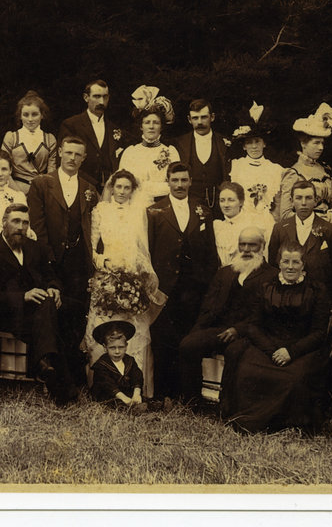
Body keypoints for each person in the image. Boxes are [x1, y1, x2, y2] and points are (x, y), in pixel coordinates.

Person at [222, 242, 331, 434]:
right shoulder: (265, 286)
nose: (290, 266)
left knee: (294, 378)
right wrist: (272, 350)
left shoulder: (316, 290)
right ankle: (249, 422)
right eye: (286, 261)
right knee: (246, 370)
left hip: (300, 348)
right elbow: (254, 325)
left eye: (295, 262)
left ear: (303, 265)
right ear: (278, 263)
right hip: (268, 345)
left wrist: (291, 352)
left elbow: (319, 332)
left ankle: (285, 425)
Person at [0, 204, 77, 405]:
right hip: (10, 314)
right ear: (4, 223)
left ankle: (44, 361)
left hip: (40, 312)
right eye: (15, 221)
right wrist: (23, 296)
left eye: (25, 222)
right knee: (49, 310)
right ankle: (56, 377)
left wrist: (53, 287)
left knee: (76, 307)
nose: (20, 227)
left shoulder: (35, 248)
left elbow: (51, 275)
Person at [28, 135, 100, 383]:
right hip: (50, 259)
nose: (72, 158)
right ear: (59, 152)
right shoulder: (41, 184)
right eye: (68, 153)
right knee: (52, 312)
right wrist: (47, 258)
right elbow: (37, 226)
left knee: (75, 314)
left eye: (78, 154)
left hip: (77, 262)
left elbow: (92, 227)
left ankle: (71, 375)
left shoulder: (90, 188)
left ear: (84, 158)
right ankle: (51, 372)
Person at [82, 170, 161, 396]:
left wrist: (140, 275)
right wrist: (103, 262)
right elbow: (92, 245)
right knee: (104, 325)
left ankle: (133, 387)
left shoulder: (139, 213)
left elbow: (142, 247)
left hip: (131, 275)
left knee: (130, 327)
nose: (122, 192)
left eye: (127, 188)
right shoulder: (100, 211)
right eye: (119, 187)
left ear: (132, 191)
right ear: (112, 188)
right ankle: (103, 388)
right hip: (106, 274)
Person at [177, 227, 276, 403]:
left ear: (262, 246)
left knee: (233, 352)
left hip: (250, 333)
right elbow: (208, 307)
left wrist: (238, 330)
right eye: (242, 244)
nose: (246, 249)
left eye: (252, 245)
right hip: (220, 329)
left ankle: (226, 405)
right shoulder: (225, 272)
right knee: (188, 344)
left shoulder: (271, 276)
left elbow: (263, 315)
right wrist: (197, 331)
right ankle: (192, 402)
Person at [146, 162, 219, 399]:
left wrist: (206, 286)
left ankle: (189, 396)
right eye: (174, 180)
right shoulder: (154, 211)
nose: (179, 185)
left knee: (189, 342)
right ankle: (162, 395)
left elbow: (210, 252)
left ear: (190, 181)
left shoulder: (203, 210)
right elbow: (148, 250)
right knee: (162, 341)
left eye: (183, 180)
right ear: (167, 181)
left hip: (193, 289)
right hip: (164, 288)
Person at [267, 179, 332, 312]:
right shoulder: (280, 229)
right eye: (298, 198)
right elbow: (273, 267)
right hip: (286, 302)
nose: (303, 203)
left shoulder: (331, 231)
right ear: (292, 201)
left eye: (308, 198)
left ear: (315, 200)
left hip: (320, 304)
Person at [58, 79, 126, 191]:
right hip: (79, 186)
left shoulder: (114, 128)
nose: (101, 102)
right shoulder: (71, 125)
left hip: (109, 189)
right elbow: (63, 161)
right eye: (96, 96)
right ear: (86, 97)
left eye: (105, 97)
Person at [229, 102, 285, 236]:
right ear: (243, 146)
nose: (254, 147)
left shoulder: (275, 169)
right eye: (249, 142)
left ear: (264, 143)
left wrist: (274, 218)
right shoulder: (236, 166)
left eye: (257, 142)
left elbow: (279, 200)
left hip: (268, 220)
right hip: (241, 219)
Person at [280, 103, 332, 223]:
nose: (321, 147)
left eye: (322, 143)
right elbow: (285, 214)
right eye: (316, 143)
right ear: (303, 144)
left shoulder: (325, 170)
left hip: (328, 229)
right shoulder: (293, 173)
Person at [118, 89, 179, 205]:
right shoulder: (130, 152)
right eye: (147, 122)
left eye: (155, 123)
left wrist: (145, 187)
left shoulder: (170, 152)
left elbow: (175, 184)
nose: (151, 126)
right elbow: (121, 183)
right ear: (141, 126)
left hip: (163, 206)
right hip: (133, 206)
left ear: (161, 127)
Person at [173, 99, 232, 209]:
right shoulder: (180, 143)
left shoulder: (224, 143)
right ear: (189, 120)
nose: (199, 122)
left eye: (204, 117)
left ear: (212, 117)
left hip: (219, 205)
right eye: (195, 118)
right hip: (189, 204)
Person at [1, 90, 58, 193]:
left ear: (42, 115)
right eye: (26, 115)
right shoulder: (12, 137)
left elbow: (51, 171)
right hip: (13, 188)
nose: (30, 119)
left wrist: (43, 191)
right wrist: (18, 193)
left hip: (41, 190)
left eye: (35, 114)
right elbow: (4, 168)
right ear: (20, 116)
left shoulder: (49, 139)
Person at [89, 321, 146, 409]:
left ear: (126, 346)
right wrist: (125, 399)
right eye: (112, 348)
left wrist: (136, 394)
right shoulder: (101, 365)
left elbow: (137, 376)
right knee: (115, 404)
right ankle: (132, 408)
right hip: (109, 394)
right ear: (105, 347)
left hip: (127, 394)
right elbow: (107, 384)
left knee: (144, 399)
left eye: (121, 347)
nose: (117, 352)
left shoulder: (129, 360)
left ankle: (156, 405)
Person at [211, 181, 259, 266]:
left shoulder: (251, 225)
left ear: (241, 202)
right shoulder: (217, 227)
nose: (226, 205)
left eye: (231, 200)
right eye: (222, 200)